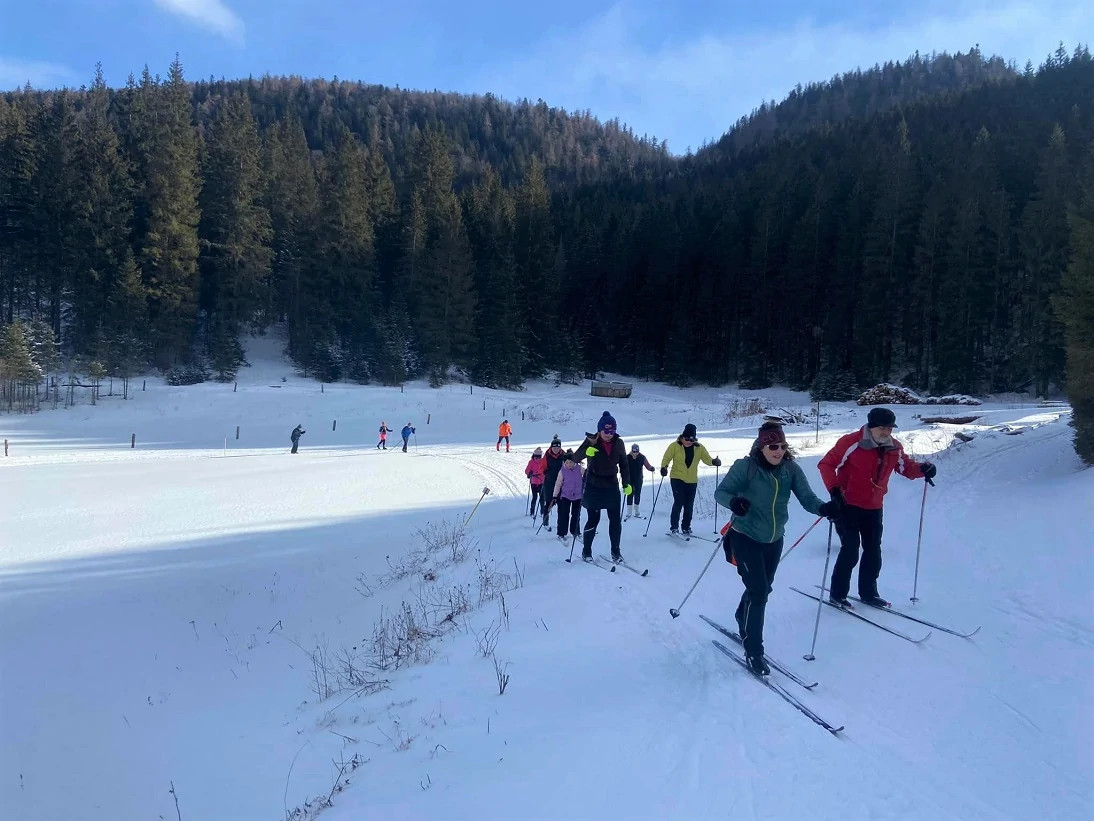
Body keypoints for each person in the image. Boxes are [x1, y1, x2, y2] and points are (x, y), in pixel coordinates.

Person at [715, 422, 839, 675]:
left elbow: (807, 497)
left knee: (762, 588)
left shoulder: (790, 469)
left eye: (783, 446)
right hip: (745, 536)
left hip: (774, 540)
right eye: (773, 446)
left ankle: (743, 616)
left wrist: (824, 508)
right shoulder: (745, 467)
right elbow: (721, 492)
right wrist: (734, 502)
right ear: (762, 446)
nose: (778, 451)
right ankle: (754, 651)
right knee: (759, 591)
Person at [818, 407, 937, 608]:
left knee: (873, 551)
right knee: (850, 549)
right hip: (848, 505)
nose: (886, 432)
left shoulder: (894, 448)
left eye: (890, 428)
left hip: (874, 507)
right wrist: (835, 491)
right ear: (871, 426)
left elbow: (906, 468)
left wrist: (923, 469)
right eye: (882, 427)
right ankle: (837, 594)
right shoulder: (851, 442)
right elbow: (826, 464)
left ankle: (869, 593)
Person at [572, 411, 631, 562]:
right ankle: (586, 551)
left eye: (612, 431)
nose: (609, 434)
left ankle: (616, 552)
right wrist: (587, 450)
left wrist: (627, 483)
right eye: (606, 431)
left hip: (611, 485)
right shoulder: (592, 440)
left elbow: (624, 464)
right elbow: (575, 458)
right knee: (594, 519)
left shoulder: (619, 443)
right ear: (600, 429)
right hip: (594, 485)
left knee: (615, 520)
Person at [660, 423, 721, 535]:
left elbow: (707, 459)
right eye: (686, 439)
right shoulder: (674, 446)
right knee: (679, 502)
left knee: (689, 504)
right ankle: (674, 527)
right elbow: (666, 457)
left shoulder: (699, 448)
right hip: (677, 477)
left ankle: (686, 527)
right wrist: (664, 467)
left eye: (691, 440)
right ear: (682, 437)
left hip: (692, 480)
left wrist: (714, 462)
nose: (688, 442)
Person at [551, 448, 585, 542]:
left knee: (576, 515)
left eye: (571, 462)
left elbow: (587, 475)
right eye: (567, 463)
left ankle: (575, 531)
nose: (569, 464)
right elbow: (558, 484)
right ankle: (561, 533)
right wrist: (555, 496)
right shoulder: (562, 471)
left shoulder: (579, 469)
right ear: (564, 463)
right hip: (565, 496)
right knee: (564, 515)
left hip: (578, 496)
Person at [540, 436, 566, 525]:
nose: (556, 449)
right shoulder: (547, 455)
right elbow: (542, 466)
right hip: (549, 482)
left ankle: (561, 525)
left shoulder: (563, 455)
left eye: (558, 447)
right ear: (551, 447)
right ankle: (545, 521)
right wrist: (544, 471)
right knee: (548, 502)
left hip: (561, 483)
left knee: (562, 505)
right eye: (554, 447)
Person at [625, 444, 655, 520]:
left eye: (637, 451)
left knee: (637, 494)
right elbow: (623, 466)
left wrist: (651, 468)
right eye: (634, 451)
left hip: (638, 479)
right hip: (629, 479)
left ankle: (637, 512)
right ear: (631, 450)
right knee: (630, 494)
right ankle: (629, 513)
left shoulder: (642, 457)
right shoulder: (627, 457)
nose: (635, 453)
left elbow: (647, 465)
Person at [525, 447, 546, 517]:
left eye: (539, 457)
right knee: (534, 497)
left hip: (541, 482)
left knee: (542, 498)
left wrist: (545, 473)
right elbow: (526, 470)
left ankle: (542, 512)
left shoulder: (543, 461)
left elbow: (546, 469)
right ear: (533, 456)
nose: (537, 459)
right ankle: (532, 511)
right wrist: (529, 472)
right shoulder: (531, 462)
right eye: (535, 457)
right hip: (533, 482)